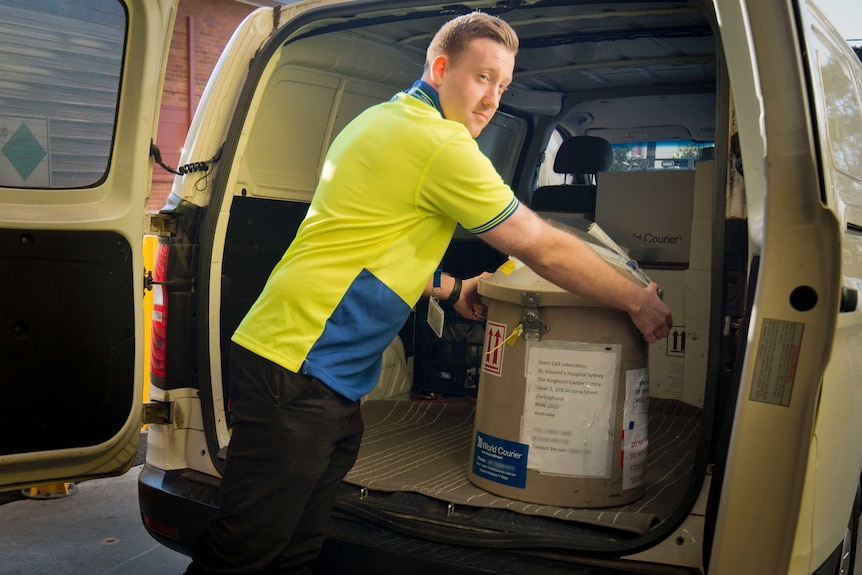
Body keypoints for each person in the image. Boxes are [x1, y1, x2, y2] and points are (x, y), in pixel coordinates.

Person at [185, 11, 672, 574]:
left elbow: (373, 243)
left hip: (312, 367)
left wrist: (455, 286)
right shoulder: (438, 143)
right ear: (441, 68)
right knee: (243, 551)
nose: (492, 98)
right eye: (482, 77)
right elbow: (542, 245)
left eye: (503, 85)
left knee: (295, 547)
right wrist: (634, 298)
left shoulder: (381, 119)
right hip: (299, 369)